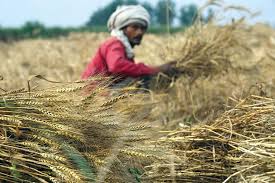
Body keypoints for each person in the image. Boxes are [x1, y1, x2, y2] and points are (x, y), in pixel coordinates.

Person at [81, 5, 176, 88]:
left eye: (142, 28)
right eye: (134, 27)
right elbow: (116, 66)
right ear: (122, 29)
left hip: (101, 94)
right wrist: (155, 70)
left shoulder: (123, 47)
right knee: (140, 81)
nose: (139, 32)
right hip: (93, 95)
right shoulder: (114, 43)